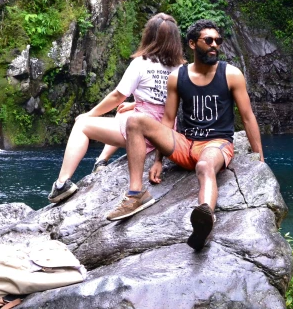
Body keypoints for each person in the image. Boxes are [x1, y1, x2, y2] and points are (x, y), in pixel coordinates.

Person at [104, 19, 264, 251]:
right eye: (208, 40)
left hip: (216, 144)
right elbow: (168, 120)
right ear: (191, 43)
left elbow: (248, 117)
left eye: (218, 41)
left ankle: (205, 219)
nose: (214, 45)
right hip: (185, 143)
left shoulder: (231, 74)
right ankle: (136, 194)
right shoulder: (177, 76)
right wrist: (159, 160)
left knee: (204, 166)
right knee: (135, 120)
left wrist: (258, 155)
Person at [47, 13, 186, 203]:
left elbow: (117, 95)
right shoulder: (181, 68)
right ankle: (101, 161)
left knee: (82, 126)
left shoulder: (142, 63)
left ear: (149, 36)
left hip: (141, 133)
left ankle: (61, 184)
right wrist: (135, 104)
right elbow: (169, 102)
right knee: (123, 113)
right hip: (166, 133)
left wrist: (88, 114)